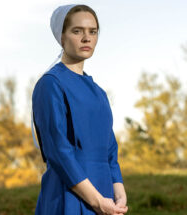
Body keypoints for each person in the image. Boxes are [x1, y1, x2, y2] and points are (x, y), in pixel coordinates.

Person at [31, 3, 128, 215]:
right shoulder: (50, 84)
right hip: (69, 194)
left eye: (92, 31)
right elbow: (58, 151)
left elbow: (110, 150)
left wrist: (119, 193)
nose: (87, 38)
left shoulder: (99, 92)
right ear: (62, 36)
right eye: (77, 31)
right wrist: (96, 201)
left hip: (105, 196)